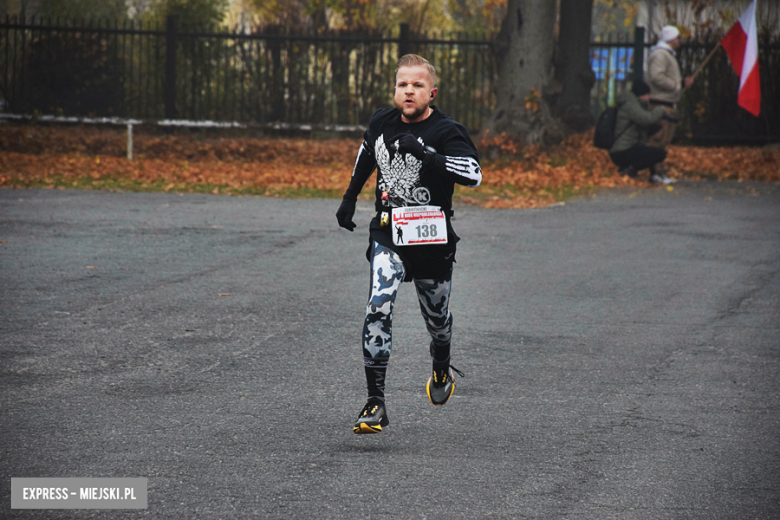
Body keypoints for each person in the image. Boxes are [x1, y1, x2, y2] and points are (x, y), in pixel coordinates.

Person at [335, 54, 482, 434]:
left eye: (417, 85)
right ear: (395, 90)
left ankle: (440, 360)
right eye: (403, 84)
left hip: (432, 239)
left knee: (437, 320)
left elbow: (473, 174)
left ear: (431, 93)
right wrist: (350, 196)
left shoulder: (447, 130)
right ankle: (375, 402)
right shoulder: (382, 121)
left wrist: (427, 154)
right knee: (378, 305)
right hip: (388, 231)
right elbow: (368, 151)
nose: (409, 91)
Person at [609, 79, 673, 185]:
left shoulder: (634, 104)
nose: (649, 97)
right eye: (647, 94)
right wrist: (660, 110)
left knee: (650, 151)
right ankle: (630, 169)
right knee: (659, 154)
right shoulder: (630, 105)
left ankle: (653, 175)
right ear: (641, 95)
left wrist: (658, 124)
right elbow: (646, 119)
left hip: (624, 149)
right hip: (622, 151)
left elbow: (643, 129)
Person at [646, 25, 694, 154]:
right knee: (658, 138)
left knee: (664, 139)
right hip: (661, 103)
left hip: (666, 102)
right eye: (677, 37)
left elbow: (663, 76)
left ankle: (658, 169)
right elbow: (656, 76)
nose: (679, 40)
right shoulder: (660, 54)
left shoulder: (666, 54)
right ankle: (653, 169)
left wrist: (682, 83)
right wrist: (675, 85)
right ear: (671, 39)